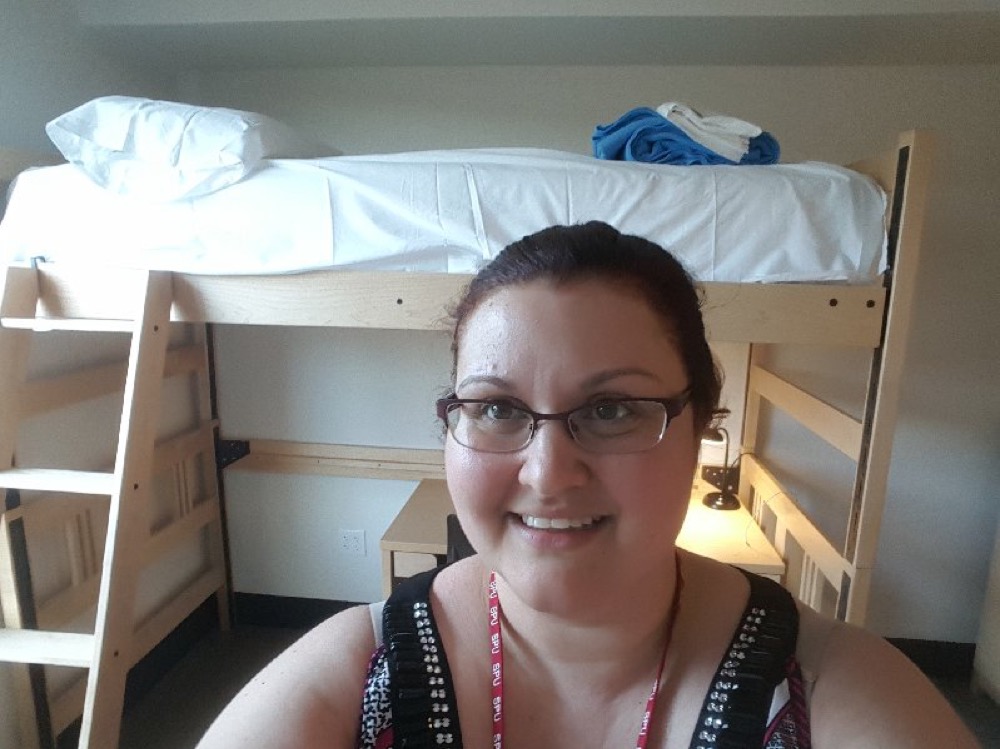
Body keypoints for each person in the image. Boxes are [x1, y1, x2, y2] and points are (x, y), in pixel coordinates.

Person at [197, 222, 978, 748]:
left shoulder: (830, 686)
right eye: (497, 407)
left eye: (611, 409)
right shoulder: (358, 671)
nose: (547, 472)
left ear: (701, 427)